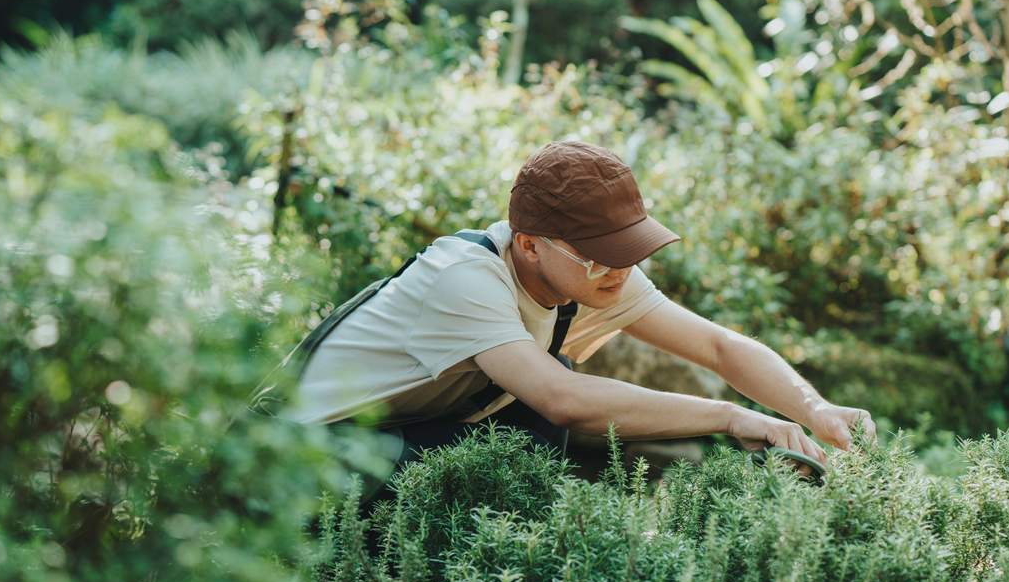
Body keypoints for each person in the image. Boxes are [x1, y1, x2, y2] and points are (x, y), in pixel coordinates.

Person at [278, 140, 876, 502]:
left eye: (630, 250)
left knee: (531, 418)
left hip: (407, 431)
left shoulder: (593, 274)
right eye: (600, 254)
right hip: (302, 457)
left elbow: (719, 348)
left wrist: (813, 408)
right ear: (530, 245)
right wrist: (729, 416)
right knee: (547, 397)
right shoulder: (463, 280)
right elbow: (563, 400)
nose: (620, 270)